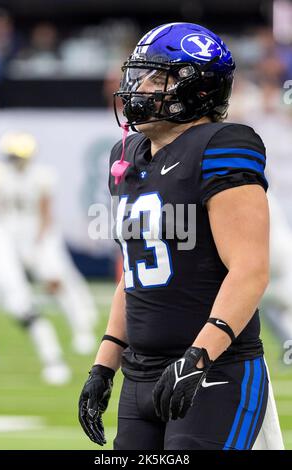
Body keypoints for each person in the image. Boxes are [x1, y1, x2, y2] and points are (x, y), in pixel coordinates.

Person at [79, 22, 278, 450]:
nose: (139, 87)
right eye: (139, 74)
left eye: (158, 77)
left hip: (215, 371)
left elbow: (249, 270)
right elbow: (134, 277)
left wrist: (199, 357)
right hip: (140, 374)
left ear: (199, 91)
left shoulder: (223, 145)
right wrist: (104, 366)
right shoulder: (126, 153)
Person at [0, 131, 98, 355]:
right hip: (11, 235)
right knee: (11, 288)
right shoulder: (1, 176)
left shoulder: (41, 176)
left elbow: (45, 213)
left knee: (56, 280)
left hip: (39, 234)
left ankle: (82, 328)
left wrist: (36, 244)